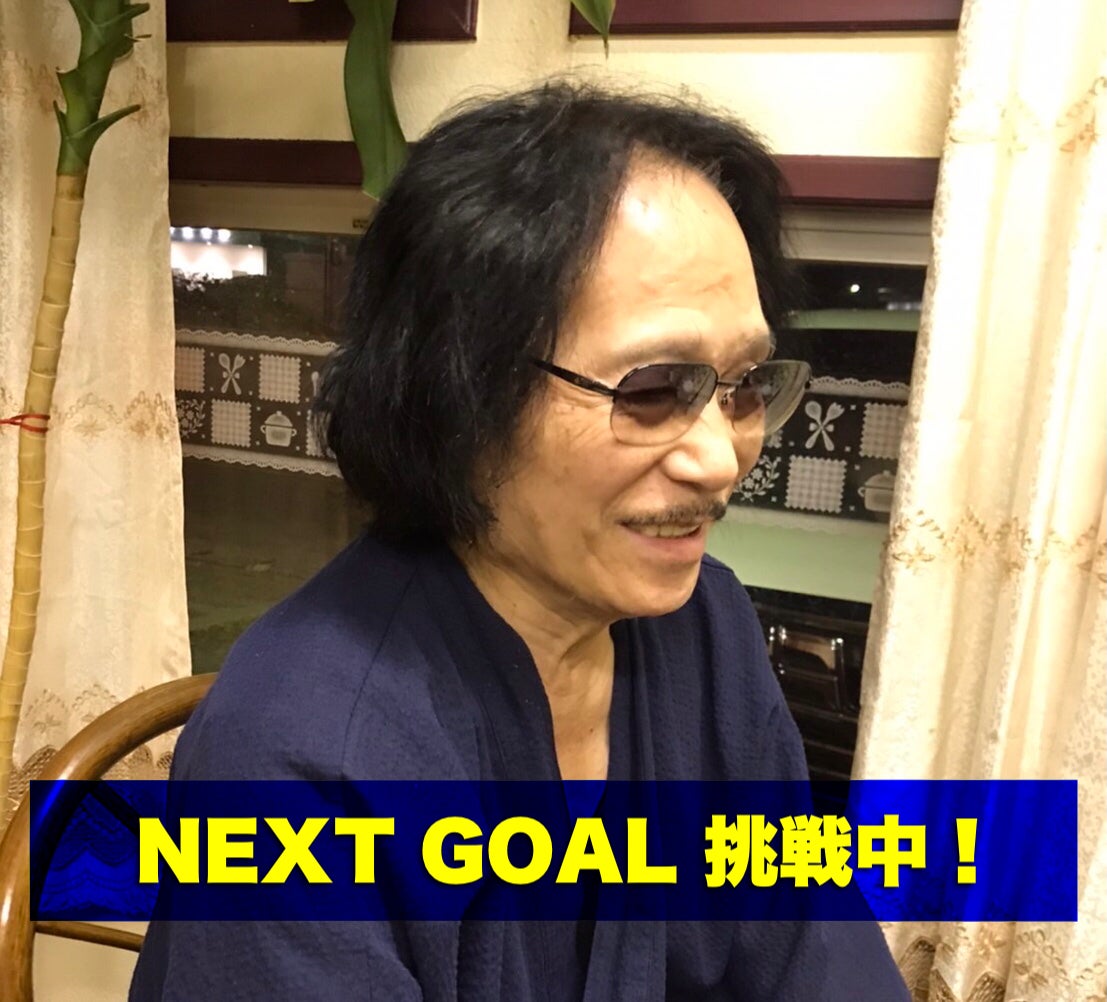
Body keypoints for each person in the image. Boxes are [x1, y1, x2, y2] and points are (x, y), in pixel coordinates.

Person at [131, 82, 909, 1000]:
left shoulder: (707, 628)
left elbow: (814, 952)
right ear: (461, 396)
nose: (718, 459)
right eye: (651, 389)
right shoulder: (300, 759)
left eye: (742, 384)